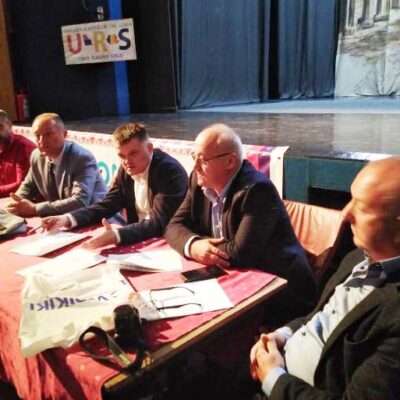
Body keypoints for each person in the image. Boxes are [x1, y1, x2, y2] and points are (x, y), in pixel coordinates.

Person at [250, 156, 400, 400]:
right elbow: (318, 317)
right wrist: (282, 336)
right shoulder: (356, 258)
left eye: (362, 207)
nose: (345, 213)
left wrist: (273, 377)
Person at [165, 123, 317, 322]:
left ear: (230, 161)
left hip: (281, 292)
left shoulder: (257, 190)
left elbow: (241, 252)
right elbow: (173, 226)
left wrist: (204, 248)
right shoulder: (199, 180)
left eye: (202, 160)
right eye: (194, 157)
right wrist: (194, 245)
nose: (195, 166)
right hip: (234, 279)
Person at [41, 123, 188, 249]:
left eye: (133, 153)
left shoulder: (168, 171)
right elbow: (107, 205)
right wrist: (67, 219)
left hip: (169, 243)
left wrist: (117, 235)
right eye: (122, 156)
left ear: (149, 148)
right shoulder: (127, 168)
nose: (127, 162)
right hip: (139, 238)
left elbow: (159, 223)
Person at [5, 113, 107, 217]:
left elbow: (80, 201)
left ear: (64, 134)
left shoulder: (81, 158)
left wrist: (35, 209)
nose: (41, 140)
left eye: (48, 134)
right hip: (61, 217)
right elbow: (28, 186)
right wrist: (16, 202)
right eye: (37, 136)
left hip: (96, 217)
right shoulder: (37, 155)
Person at [0, 109, 36, 198]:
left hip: (23, 200)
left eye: (0, 126)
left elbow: (24, 185)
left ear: (9, 125)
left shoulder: (23, 147)